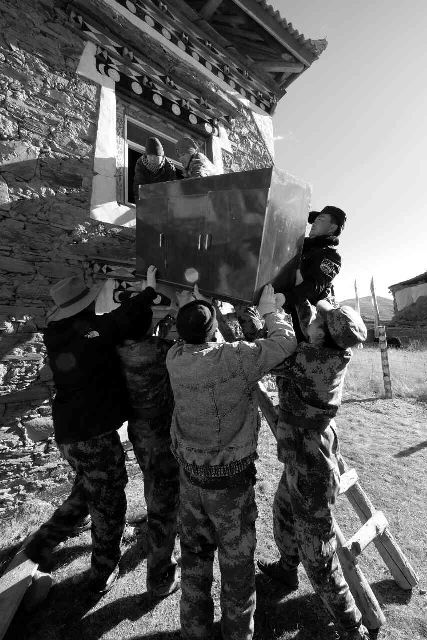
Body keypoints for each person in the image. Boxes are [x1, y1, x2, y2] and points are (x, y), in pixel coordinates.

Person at [166, 285, 297, 640]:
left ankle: (195, 631)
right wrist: (269, 310)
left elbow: (192, 335)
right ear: (213, 331)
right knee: (237, 569)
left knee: (195, 559)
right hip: (231, 485)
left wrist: (192, 305)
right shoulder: (237, 358)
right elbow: (285, 342)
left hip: (191, 479)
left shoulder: (174, 358)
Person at [24, 267, 159, 594]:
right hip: (92, 434)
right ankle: (103, 570)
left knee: (89, 488)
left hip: (69, 432)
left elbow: (108, 324)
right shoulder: (89, 333)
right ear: (84, 306)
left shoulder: (57, 331)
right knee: (108, 502)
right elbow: (119, 321)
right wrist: (149, 291)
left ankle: (44, 540)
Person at [257, 299, 370, 640]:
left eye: (320, 318)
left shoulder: (310, 360)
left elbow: (269, 353)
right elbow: (311, 323)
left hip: (310, 463)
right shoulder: (329, 350)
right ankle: (286, 569)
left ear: (322, 335)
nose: (314, 317)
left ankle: (352, 627)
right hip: (302, 454)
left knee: (318, 554)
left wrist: (264, 313)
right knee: (283, 512)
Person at [116, 270, 180, 599]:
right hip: (162, 435)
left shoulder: (116, 348)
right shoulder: (160, 350)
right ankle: (159, 577)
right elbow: (189, 341)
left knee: (152, 482)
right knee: (165, 506)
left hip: (138, 432)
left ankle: (155, 522)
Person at [282, 205, 346, 342]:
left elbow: (313, 286)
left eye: (320, 219)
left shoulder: (330, 256)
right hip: (286, 315)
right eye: (314, 220)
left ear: (332, 228)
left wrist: (284, 298)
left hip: (307, 327)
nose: (314, 223)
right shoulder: (300, 249)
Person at [133, 136, 180, 201]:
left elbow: (173, 190)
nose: (152, 159)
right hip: (146, 201)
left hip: (164, 201)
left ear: (162, 156)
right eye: (150, 156)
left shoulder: (169, 167)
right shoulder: (140, 165)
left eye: (156, 156)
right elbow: (139, 188)